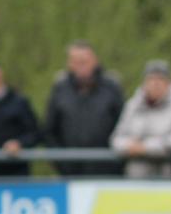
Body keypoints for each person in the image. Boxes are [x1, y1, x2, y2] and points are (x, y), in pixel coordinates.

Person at [45, 41, 124, 176]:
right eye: (76, 61)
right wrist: (59, 160)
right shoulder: (60, 89)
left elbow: (123, 125)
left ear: (95, 61)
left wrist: (116, 160)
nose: (81, 66)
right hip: (69, 172)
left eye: (84, 61)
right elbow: (50, 130)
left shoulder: (111, 88)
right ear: (69, 64)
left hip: (107, 170)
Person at [111, 60, 171, 177]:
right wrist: (128, 146)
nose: (155, 84)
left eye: (160, 79)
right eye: (151, 79)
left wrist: (145, 148)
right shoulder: (133, 105)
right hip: (138, 179)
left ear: (169, 83)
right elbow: (117, 138)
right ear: (144, 83)